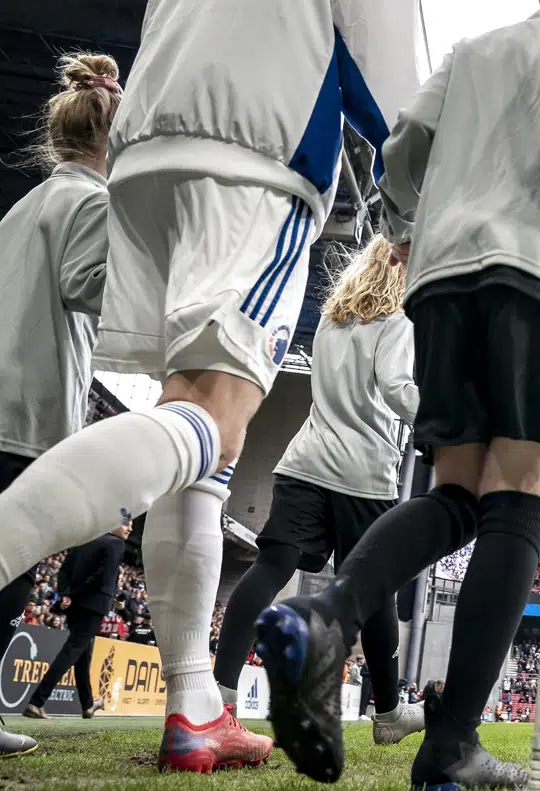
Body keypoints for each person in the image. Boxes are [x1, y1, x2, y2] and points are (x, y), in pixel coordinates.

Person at [0, 0, 420, 773]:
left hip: (148, 162)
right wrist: (413, 206)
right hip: (255, 162)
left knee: (201, 447)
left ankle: (194, 706)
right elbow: (393, 80)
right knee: (210, 418)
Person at [257, 0, 540, 790]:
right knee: (520, 492)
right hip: (538, 275)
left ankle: (328, 612)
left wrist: (403, 226)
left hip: (442, 277)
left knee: (457, 492)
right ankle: (451, 745)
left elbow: (403, 140)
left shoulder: (476, 48)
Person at [211, 235, 424, 746]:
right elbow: (397, 388)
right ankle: (390, 714)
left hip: (304, 461)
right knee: (377, 593)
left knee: (270, 569)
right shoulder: (399, 320)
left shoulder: (334, 318)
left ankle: (218, 694)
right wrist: (445, 418)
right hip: (362, 473)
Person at [0, 53, 116, 759]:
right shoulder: (92, 200)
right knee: (8, 569)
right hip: (31, 405)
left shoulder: (25, 204)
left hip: (10, 392)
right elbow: (86, 285)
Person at [23, 522, 130, 720]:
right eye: (125, 523)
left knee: (82, 654)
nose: (129, 528)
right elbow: (102, 576)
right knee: (73, 649)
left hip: (74, 604)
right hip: (94, 604)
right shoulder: (116, 544)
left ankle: (88, 705)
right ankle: (37, 702)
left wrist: (66, 594)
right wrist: (74, 593)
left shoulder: (84, 540)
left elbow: (63, 570)